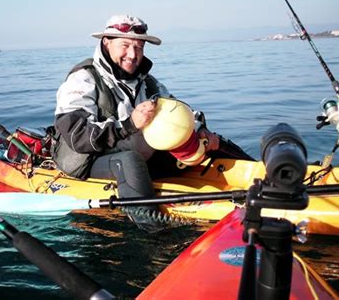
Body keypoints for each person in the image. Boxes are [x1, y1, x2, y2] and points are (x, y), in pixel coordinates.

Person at [52, 14, 221, 232]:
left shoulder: (148, 83)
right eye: (125, 45)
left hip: (131, 149)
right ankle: (153, 235)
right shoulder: (83, 79)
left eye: (139, 47)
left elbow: (178, 112)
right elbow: (78, 135)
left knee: (194, 148)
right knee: (129, 161)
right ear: (107, 42)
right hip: (87, 158)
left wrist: (202, 132)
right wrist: (129, 125)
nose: (133, 55)